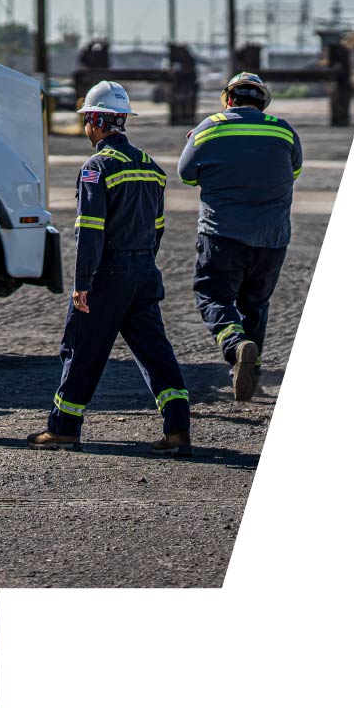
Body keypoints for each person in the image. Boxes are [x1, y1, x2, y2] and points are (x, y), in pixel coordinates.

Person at [28, 81, 193, 455]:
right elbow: (158, 229)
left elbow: (90, 233)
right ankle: (178, 428)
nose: (87, 127)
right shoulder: (151, 167)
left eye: (87, 120)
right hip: (143, 273)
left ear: (97, 122)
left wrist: (82, 283)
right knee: (156, 352)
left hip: (108, 274)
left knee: (81, 349)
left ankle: (64, 428)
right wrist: (143, 264)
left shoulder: (96, 168)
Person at [177, 72, 303, 401]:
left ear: (228, 100)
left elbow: (186, 176)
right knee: (256, 304)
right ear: (263, 102)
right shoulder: (283, 130)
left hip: (222, 234)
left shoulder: (208, 128)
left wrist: (197, 142)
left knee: (212, 295)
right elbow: (295, 172)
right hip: (272, 238)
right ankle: (250, 369)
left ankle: (235, 345)